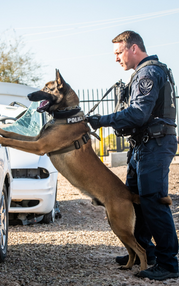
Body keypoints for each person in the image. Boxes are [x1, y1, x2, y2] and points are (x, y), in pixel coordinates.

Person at [88, 30, 179, 281]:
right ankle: (145, 252)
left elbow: (138, 113)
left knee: (154, 202)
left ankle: (169, 263)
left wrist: (100, 121)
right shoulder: (145, 72)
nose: (116, 58)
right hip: (144, 146)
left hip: (155, 145)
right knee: (137, 198)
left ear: (133, 48)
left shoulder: (148, 73)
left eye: (119, 52)